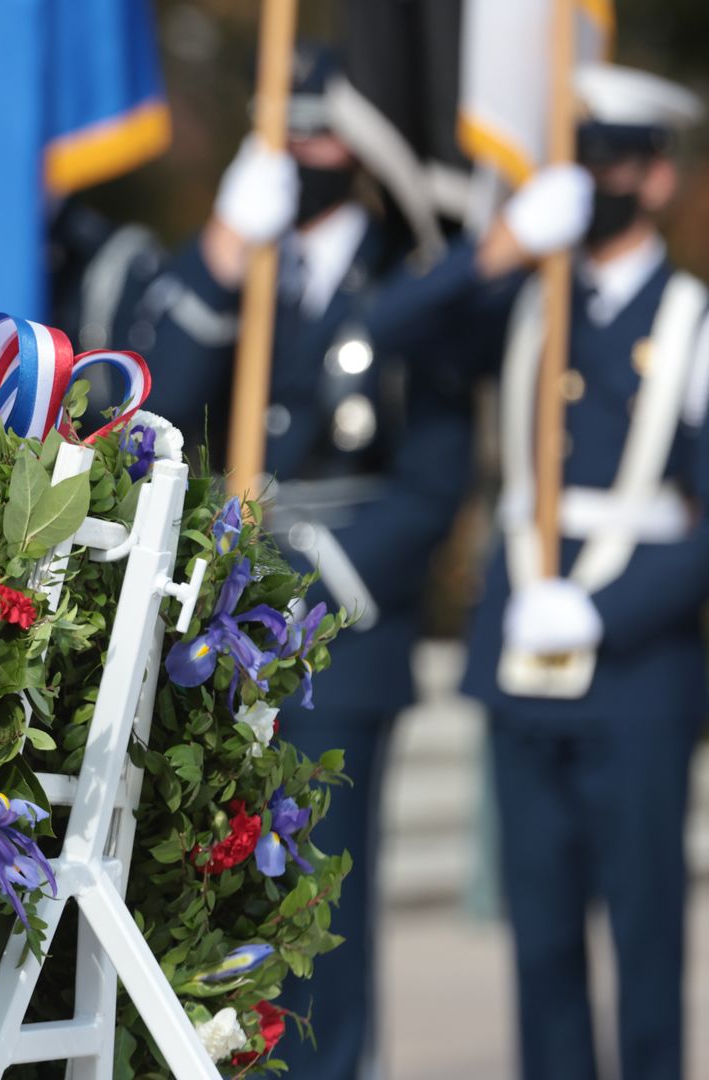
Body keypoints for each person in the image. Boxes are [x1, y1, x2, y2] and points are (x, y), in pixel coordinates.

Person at [125, 47, 477, 1079]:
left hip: (339, 635)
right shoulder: (239, 262)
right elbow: (156, 394)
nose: (306, 151)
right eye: (289, 130)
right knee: (212, 893)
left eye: (325, 133)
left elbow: (430, 480)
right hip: (213, 638)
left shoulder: (410, 281)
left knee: (320, 904)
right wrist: (228, 250)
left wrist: (295, 599)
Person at [367, 63, 706, 1080]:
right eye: (577, 160)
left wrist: (608, 613)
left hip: (636, 672)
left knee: (645, 940)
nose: (591, 182)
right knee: (541, 940)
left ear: (658, 179)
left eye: (609, 164)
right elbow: (384, 331)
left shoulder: (693, 323)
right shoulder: (521, 297)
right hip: (520, 660)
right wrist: (503, 246)